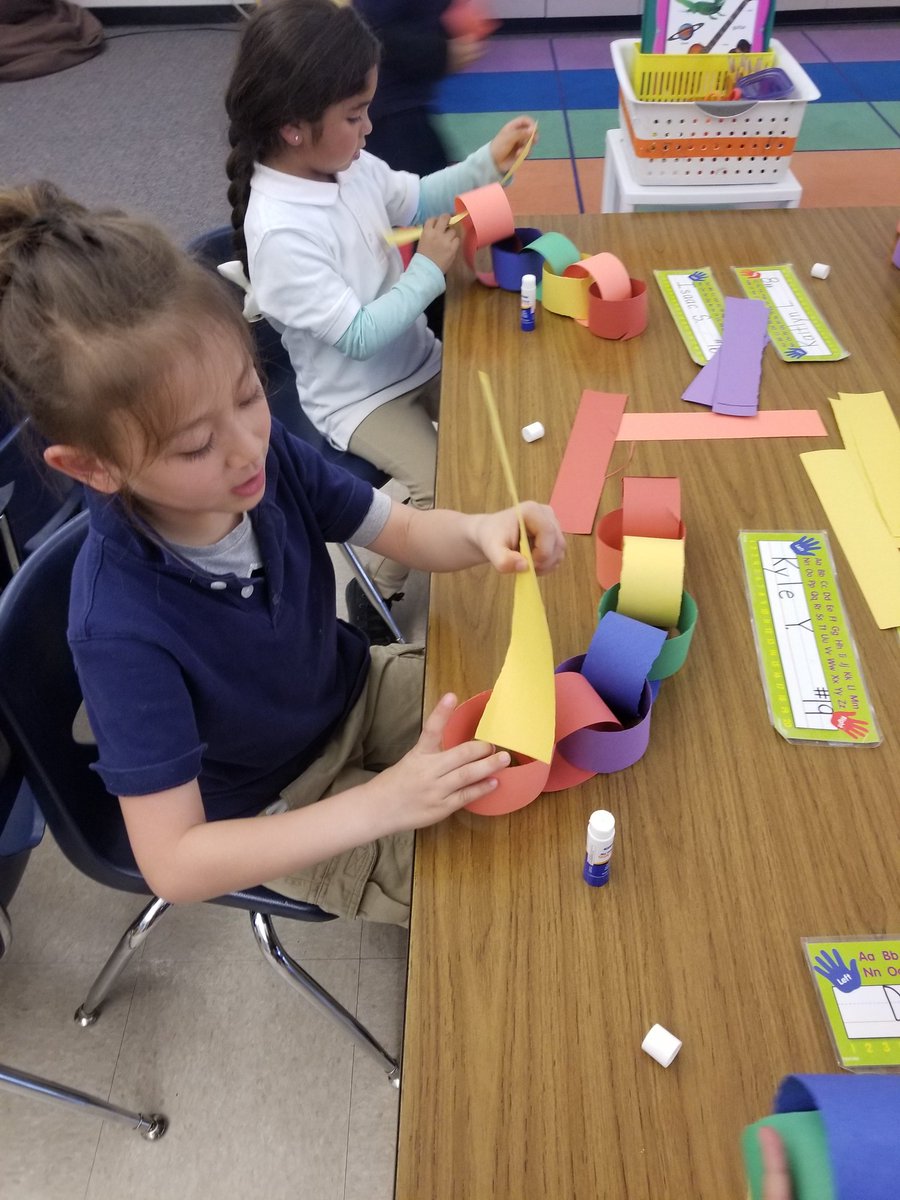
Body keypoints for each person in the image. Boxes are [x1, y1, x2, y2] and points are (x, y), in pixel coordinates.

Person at [0, 181, 564, 927]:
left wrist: (479, 531)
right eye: (196, 444)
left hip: (354, 690)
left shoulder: (266, 463)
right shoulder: (120, 629)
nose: (245, 448)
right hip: (285, 804)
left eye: (248, 393)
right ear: (91, 468)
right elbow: (176, 861)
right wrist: (384, 803)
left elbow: (399, 532)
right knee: (514, 900)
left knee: (546, 734)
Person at [224, 0, 535, 643]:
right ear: (291, 126)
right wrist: (428, 269)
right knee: (444, 484)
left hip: (413, 356)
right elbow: (360, 337)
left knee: (499, 414)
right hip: (358, 396)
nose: (370, 128)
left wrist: (487, 162)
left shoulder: (346, 163)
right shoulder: (281, 231)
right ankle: (379, 584)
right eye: (355, 114)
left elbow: (418, 195)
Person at [352, 0, 486, 176]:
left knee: (436, 179)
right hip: (388, 107)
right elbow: (373, 29)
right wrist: (441, 53)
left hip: (408, 102)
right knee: (424, 187)